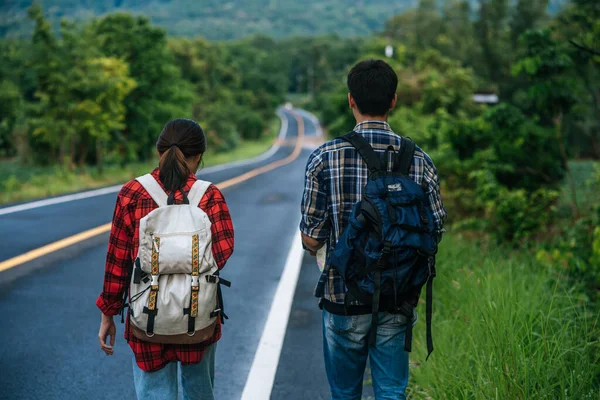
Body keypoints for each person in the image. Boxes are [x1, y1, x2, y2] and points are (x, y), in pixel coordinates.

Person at [300, 59, 446, 400]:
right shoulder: (419, 159)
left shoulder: (325, 157)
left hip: (343, 295)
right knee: (392, 392)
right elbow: (435, 228)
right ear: (393, 100)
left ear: (351, 100)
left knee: (345, 393)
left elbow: (311, 237)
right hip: (398, 295)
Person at [96, 118, 234, 400]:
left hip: (147, 319)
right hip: (199, 317)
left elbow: (118, 260)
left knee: (154, 393)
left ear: (159, 151)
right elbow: (222, 253)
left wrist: (108, 312)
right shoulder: (209, 196)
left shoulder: (132, 193)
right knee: (198, 391)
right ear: (199, 156)